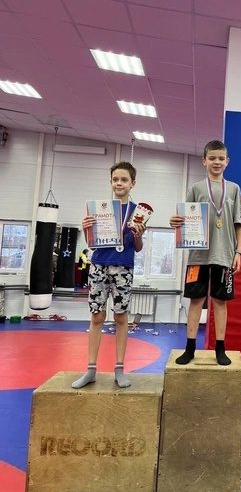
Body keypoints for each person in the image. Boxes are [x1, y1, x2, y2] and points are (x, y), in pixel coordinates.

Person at [169, 140, 241, 366]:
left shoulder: (234, 189)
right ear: (204, 161)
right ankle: (190, 347)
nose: (216, 162)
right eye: (212, 158)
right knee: (195, 301)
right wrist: (175, 222)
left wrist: (238, 252)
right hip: (198, 255)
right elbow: (184, 217)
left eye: (221, 158)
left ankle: (220, 347)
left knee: (220, 302)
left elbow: (239, 223)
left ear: (227, 161)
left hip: (225, 254)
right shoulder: (196, 188)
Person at [72, 162, 145, 389]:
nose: (119, 183)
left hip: (123, 267)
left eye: (124, 180)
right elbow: (91, 244)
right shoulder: (99, 209)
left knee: (121, 317)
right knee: (96, 316)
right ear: (110, 182)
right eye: (115, 179)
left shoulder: (138, 212)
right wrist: (86, 228)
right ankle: (91, 369)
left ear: (132, 183)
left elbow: (138, 247)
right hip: (99, 266)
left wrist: (139, 235)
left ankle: (119, 369)